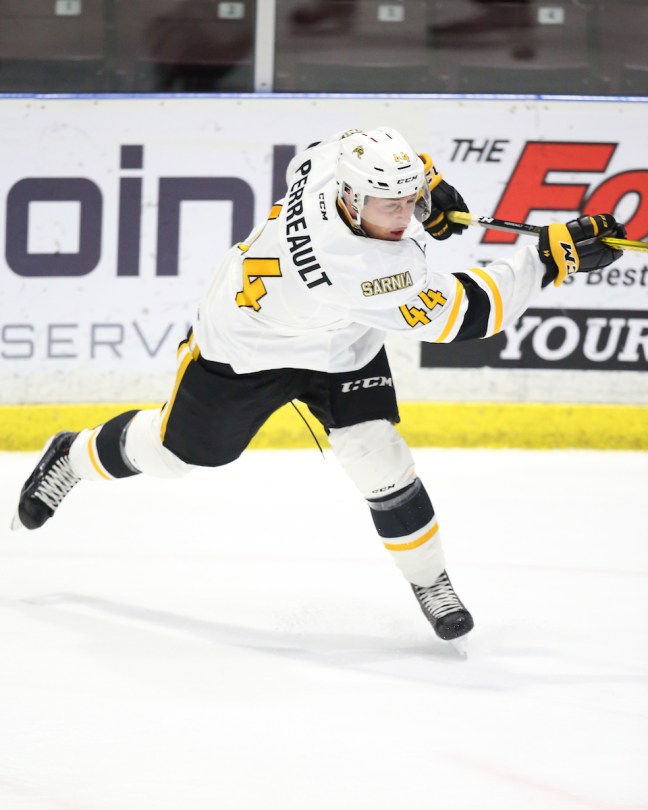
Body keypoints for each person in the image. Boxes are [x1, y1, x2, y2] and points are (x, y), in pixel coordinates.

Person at [11, 127, 624, 650]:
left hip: (339, 343)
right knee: (177, 457)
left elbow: (323, 146)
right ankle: (72, 455)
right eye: (389, 206)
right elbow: (472, 314)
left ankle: (429, 580)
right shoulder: (362, 269)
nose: (403, 217)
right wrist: (549, 260)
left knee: (378, 457)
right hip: (246, 350)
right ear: (352, 199)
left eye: (407, 201)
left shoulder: (332, 166)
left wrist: (427, 185)